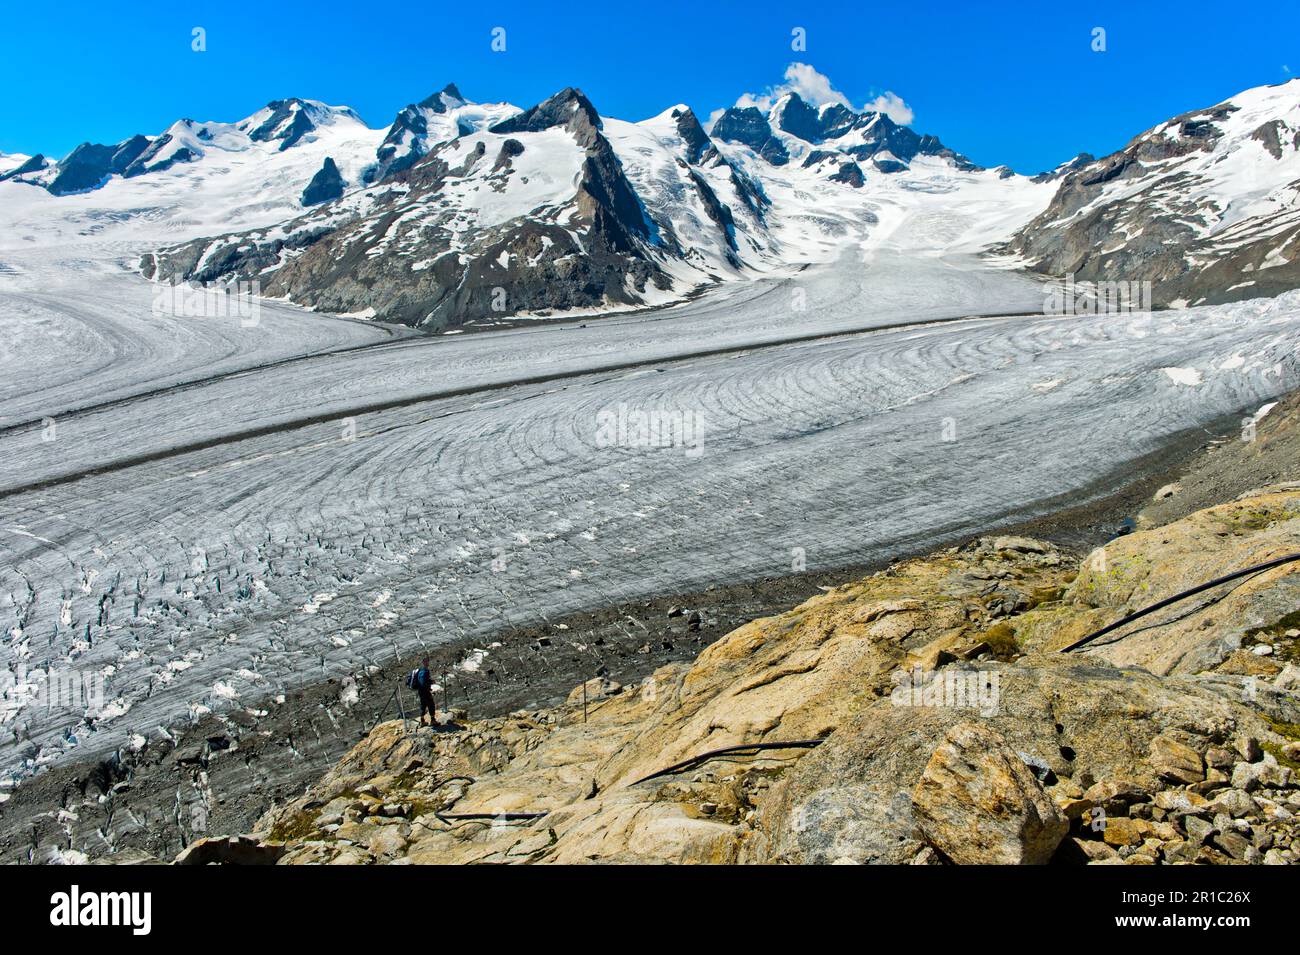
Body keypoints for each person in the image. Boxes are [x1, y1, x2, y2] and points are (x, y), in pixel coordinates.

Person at [413, 658, 438, 727]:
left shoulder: (419, 670)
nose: (428, 663)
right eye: (427, 661)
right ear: (424, 662)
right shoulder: (426, 671)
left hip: (420, 691)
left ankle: (422, 721)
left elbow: (421, 680)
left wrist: (429, 681)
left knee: (423, 705)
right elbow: (424, 682)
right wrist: (431, 682)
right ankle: (433, 720)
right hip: (425, 691)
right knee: (431, 704)